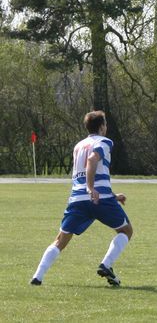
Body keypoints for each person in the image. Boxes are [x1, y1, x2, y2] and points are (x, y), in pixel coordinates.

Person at [30, 110, 132, 286]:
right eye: (105, 124)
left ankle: (37, 277)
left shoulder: (78, 146)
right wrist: (91, 188)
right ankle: (106, 264)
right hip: (98, 198)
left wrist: (113, 196)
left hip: (78, 199)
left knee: (61, 240)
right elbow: (92, 161)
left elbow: (87, 173)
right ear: (102, 127)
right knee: (126, 231)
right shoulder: (104, 141)